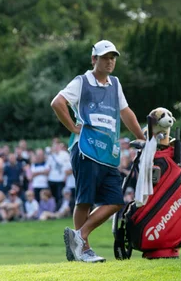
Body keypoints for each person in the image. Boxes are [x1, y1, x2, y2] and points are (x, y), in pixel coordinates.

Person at [51, 40, 146, 263]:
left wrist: (142, 138)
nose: (110, 61)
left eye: (113, 57)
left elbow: (126, 112)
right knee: (84, 201)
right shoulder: (82, 82)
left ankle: (79, 238)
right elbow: (58, 102)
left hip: (107, 152)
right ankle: (83, 250)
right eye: (105, 57)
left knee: (115, 201)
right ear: (94, 59)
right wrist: (73, 127)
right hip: (85, 149)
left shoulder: (115, 83)